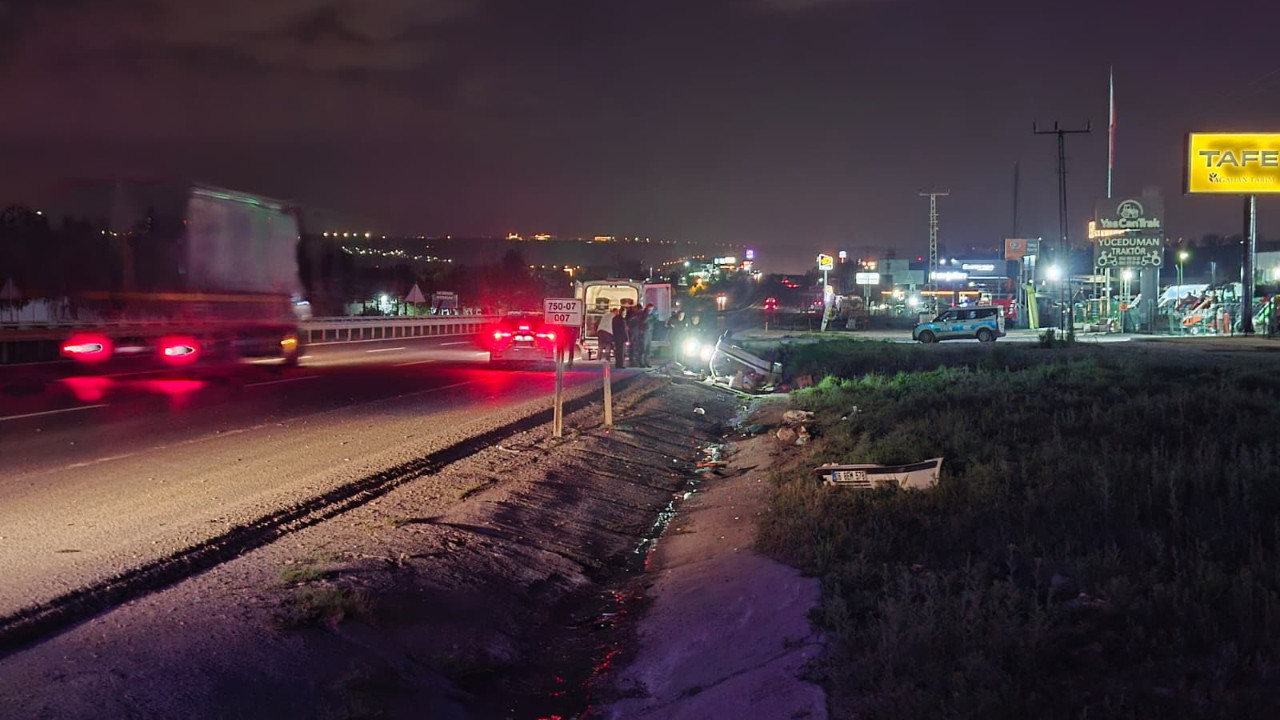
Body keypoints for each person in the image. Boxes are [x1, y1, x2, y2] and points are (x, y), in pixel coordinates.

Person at [640, 302, 656, 367]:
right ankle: (642, 362)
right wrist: (649, 316)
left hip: (650, 332)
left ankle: (647, 361)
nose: (651, 310)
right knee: (643, 348)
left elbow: (654, 321)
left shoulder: (651, 314)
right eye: (650, 309)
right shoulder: (644, 314)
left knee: (648, 348)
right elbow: (643, 321)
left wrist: (654, 317)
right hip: (644, 332)